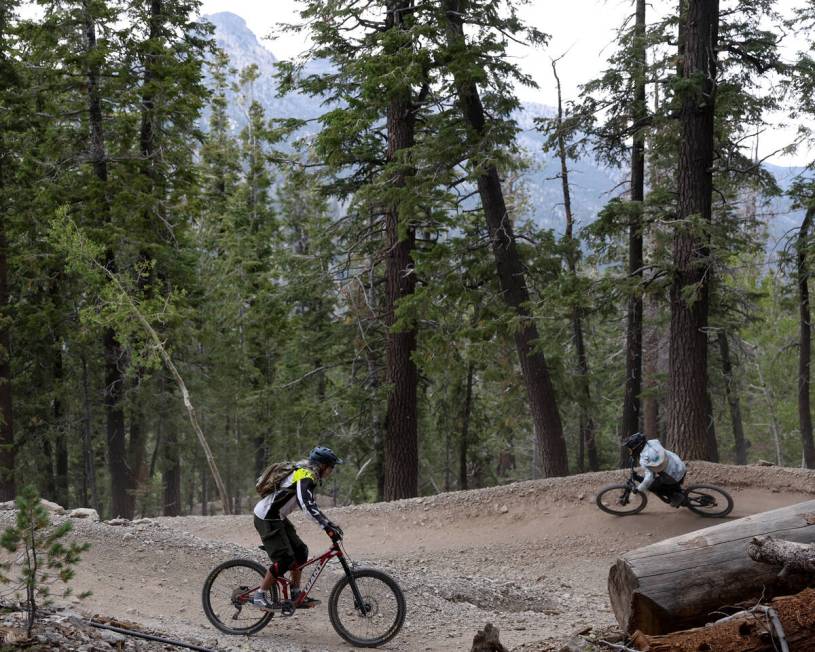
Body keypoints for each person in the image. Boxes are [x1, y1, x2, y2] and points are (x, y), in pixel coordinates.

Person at [251, 446, 344, 610]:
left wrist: (329, 523)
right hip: (266, 516)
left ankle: (295, 593)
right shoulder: (305, 476)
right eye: (331, 466)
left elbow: (311, 505)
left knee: (301, 552)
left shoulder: (307, 474)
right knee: (285, 560)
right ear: (322, 465)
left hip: (277, 516)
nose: (332, 470)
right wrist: (326, 527)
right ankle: (260, 594)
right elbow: (306, 506)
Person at [624, 433, 687, 507]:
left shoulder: (645, 460)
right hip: (678, 464)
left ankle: (676, 497)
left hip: (674, 475)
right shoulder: (653, 442)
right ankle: (675, 491)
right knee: (659, 481)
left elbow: (649, 478)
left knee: (651, 486)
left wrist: (639, 489)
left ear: (637, 447)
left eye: (630, 448)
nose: (630, 450)